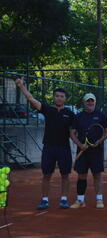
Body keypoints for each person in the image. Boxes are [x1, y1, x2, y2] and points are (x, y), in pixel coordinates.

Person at [14, 78, 75, 210]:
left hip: (64, 148)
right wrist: (21, 86)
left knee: (65, 175)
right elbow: (31, 99)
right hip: (49, 147)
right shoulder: (47, 109)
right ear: (53, 97)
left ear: (65, 99)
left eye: (61, 96)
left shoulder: (70, 114)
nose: (59, 98)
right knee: (46, 175)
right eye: (57, 96)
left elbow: (73, 132)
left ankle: (64, 199)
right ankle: (44, 200)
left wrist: (81, 144)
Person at [69, 93, 107, 209]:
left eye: (92, 101)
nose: (90, 103)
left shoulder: (101, 115)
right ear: (84, 102)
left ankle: (99, 199)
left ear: (95, 102)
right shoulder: (78, 116)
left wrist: (100, 141)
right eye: (88, 101)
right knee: (81, 175)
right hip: (82, 150)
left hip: (97, 151)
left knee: (97, 175)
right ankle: (80, 200)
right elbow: (72, 133)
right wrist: (80, 145)